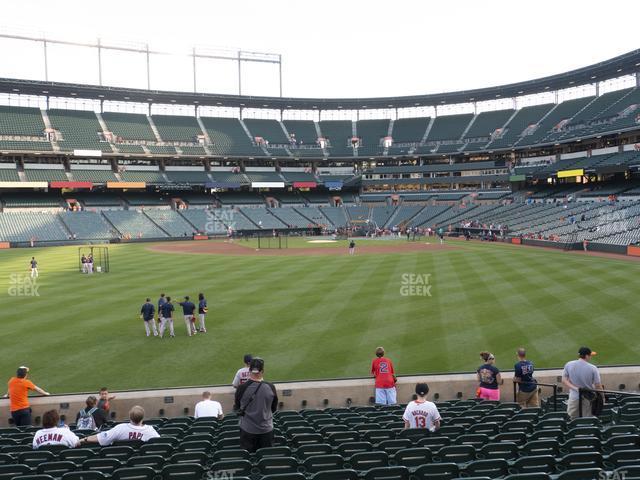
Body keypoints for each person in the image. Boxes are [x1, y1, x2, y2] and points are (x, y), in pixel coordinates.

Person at [234, 358, 278, 453]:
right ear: (262, 371)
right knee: (266, 458)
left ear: (250, 371)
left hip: (247, 430)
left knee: (249, 458)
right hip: (266, 430)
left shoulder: (241, 388)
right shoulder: (271, 387)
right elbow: (273, 408)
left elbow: (237, 407)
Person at [81, 406, 159, 446]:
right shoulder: (150, 430)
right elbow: (160, 444)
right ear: (143, 417)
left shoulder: (120, 428)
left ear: (130, 416)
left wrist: (84, 439)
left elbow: (100, 438)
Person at [562, 347, 603, 419]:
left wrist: (575, 389)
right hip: (588, 398)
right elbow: (598, 386)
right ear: (586, 356)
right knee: (586, 420)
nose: (590, 357)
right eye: (590, 355)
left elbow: (564, 380)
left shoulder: (569, 364)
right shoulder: (593, 368)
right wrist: (602, 397)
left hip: (574, 397)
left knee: (571, 419)